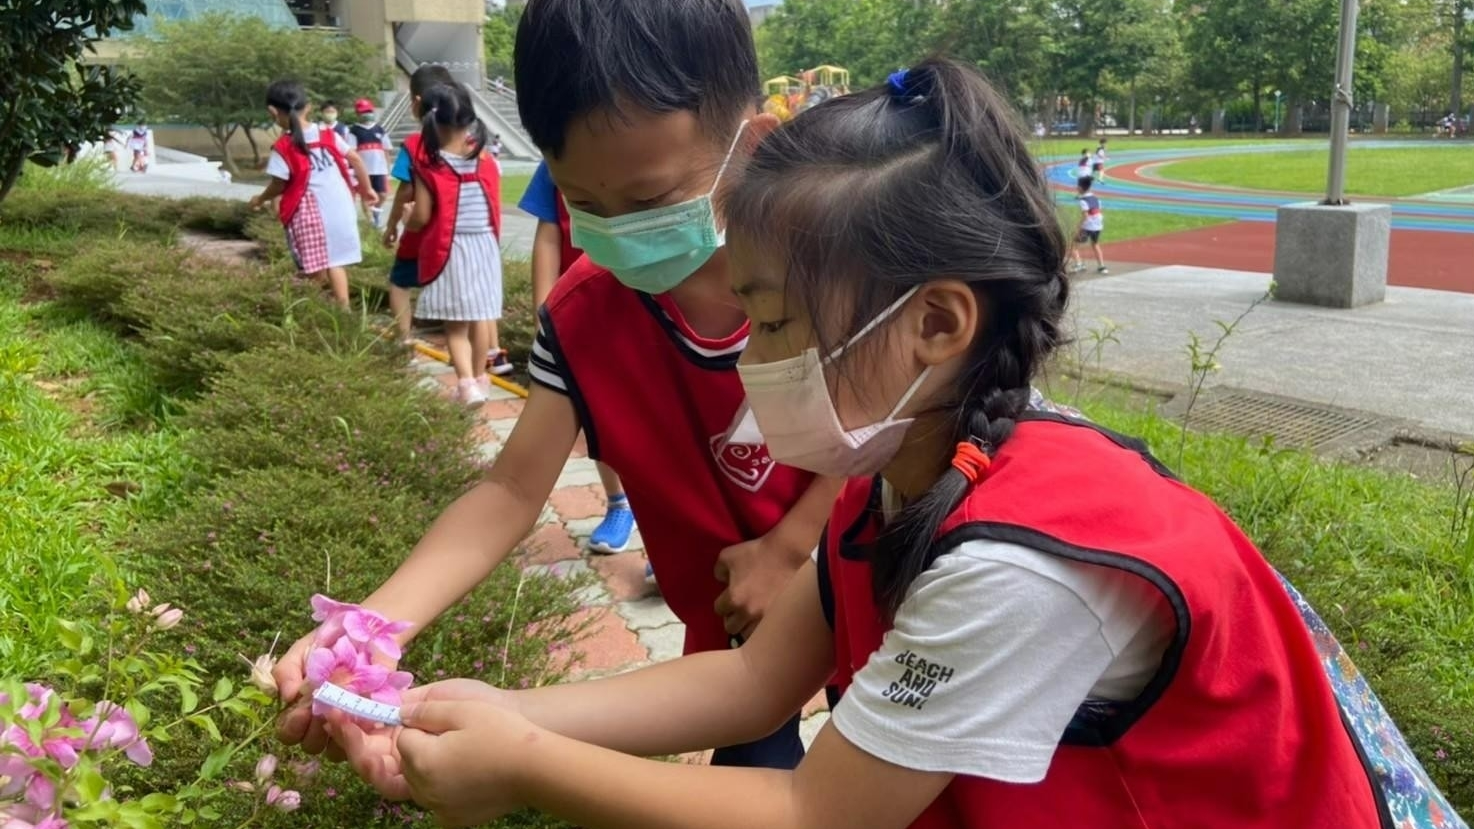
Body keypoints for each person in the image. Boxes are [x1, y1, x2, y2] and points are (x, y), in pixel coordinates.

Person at [327, 59, 1427, 829]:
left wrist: (526, 766)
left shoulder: (1021, 566)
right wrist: (492, 713)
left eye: (773, 321)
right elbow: (757, 681)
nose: (749, 360)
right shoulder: (901, 474)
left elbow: (814, 811)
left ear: (936, 323)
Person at [274, 0, 840, 772]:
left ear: (755, 141)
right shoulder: (585, 318)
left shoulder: (837, 275)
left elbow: (905, 431)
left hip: (866, 585)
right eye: (586, 204)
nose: (617, 233)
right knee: (753, 768)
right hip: (730, 631)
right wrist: (371, 625)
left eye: (646, 202)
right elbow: (510, 489)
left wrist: (796, 545)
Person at [518, 161, 638, 560]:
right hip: (585, 316)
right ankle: (619, 502)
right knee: (600, 418)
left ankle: (671, 528)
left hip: (650, 308)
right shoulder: (555, 162)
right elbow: (549, 236)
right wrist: (545, 309)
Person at [400, 82, 505, 406]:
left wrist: (406, 218)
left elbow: (422, 216)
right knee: (479, 318)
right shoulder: (487, 159)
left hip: (451, 250)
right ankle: (480, 379)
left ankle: (465, 383)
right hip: (485, 248)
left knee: (456, 326)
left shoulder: (428, 166)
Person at [248, 79, 379, 308]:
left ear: (272, 111)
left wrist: (260, 198)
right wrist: (367, 189)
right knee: (335, 262)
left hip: (310, 215)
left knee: (313, 269)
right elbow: (355, 159)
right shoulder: (328, 134)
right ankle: (343, 310)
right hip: (340, 208)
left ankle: (309, 309)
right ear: (308, 107)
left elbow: (279, 184)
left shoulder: (283, 146)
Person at [384, 66, 458, 345]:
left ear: (416, 103)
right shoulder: (469, 142)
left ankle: (404, 339)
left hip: (422, 230)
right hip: (456, 230)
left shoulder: (415, 145)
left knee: (400, 281)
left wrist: (392, 226)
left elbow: (405, 190)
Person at [349, 98, 393, 228]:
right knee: (365, 195)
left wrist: (388, 166)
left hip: (379, 168)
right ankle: (371, 222)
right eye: (363, 112)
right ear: (357, 114)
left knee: (383, 195)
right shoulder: (354, 131)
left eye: (368, 111)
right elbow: (352, 151)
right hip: (364, 170)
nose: (366, 114)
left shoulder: (379, 129)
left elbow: (386, 150)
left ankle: (375, 211)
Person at [1071, 175, 1107, 275]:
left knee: (1073, 245)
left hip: (1088, 226)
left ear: (1080, 188)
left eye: (1077, 186)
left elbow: (1085, 216)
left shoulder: (1083, 201)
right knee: (1095, 244)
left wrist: (1077, 227)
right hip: (1098, 225)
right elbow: (1098, 211)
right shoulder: (1096, 198)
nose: (1076, 188)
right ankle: (1102, 266)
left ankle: (1079, 264)